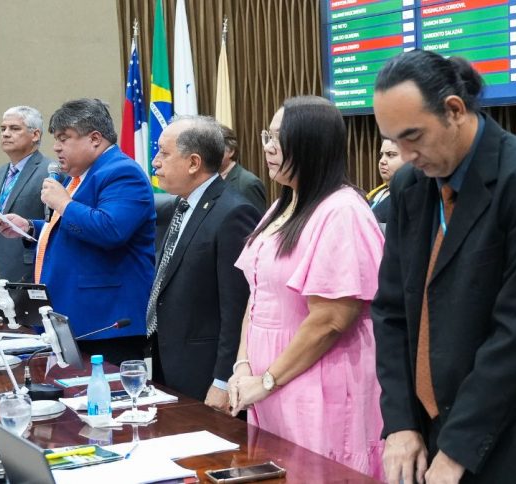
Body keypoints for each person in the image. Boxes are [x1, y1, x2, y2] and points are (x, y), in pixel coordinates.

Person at [371, 50, 516, 483]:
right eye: (394, 141)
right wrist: (401, 422)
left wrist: (457, 449)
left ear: (454, 110)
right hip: (432, 431)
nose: (406, 155)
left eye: (413, 136)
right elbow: (391, 312)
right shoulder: (410, 186)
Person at [228, 96, 385, 478]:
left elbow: (331, 320)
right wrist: (243, 365)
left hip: (316, 376)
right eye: (267, 136)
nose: (268, 147)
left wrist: (267, 379)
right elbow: (258, 294)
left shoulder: (342, 210)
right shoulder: (282, 205)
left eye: (279, 138)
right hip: (269, 381)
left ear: (312, 144)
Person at [0, 98, 155, 364]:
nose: (56, 147)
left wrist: (63, 203)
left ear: (94, 139)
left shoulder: (122, 172)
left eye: (64, 138)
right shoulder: (80, 175)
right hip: (75, 316)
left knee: (106, 390)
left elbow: (111, 230)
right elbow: (75, 230)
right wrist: (30, 227)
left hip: (106, 322)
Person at [147, 115, 259, 412]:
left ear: (194, 163)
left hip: (205, 373)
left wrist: (222, 380)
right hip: (168, 362)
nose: (155, 162)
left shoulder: (233, 213)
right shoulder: (181, 203)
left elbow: (237, 308)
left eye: (164, 153)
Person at [0, 106, 51, 290]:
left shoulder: (49, 171)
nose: (5, 134)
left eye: (14, 128)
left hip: (30, 270)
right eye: (3, 128)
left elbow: (53, 225)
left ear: (35, 135)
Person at [219, 123, 267, 214]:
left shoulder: (248, 183)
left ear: (231, 151)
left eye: (215, 148)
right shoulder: (208, 179)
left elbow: (256, 220)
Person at [367, 139, 406, 223]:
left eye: (390, 155)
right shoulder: (376, 193)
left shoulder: (410, 197)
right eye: (381, 155)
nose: (382, 161)